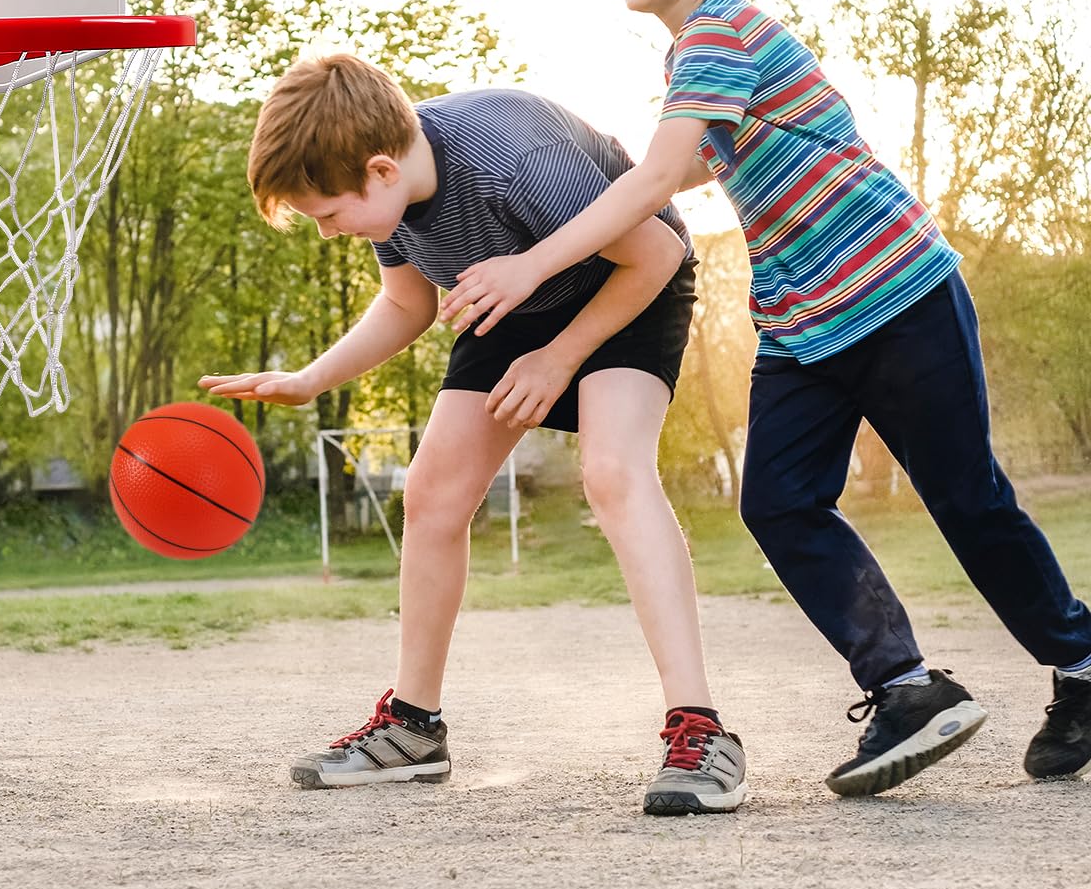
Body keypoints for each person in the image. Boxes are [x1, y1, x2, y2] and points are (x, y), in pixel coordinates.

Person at [442, 0, 1091, 795]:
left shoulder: (720, 30)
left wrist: (535, 259)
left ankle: (1080, 666)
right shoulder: (692, 57)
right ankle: (907, 688)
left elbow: (663, 178)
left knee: (965, 497)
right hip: (798, 316)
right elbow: (694, 161)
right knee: (777, 501)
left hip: (891, 287)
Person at [200, 53, 748, 814]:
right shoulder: (386, 194)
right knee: (431, 496)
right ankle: (412, 730)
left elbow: (657, 251)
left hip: (631, 285)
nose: (329, 233)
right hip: (510, 297)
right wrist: (312, 378)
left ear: (381, 170)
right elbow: (405, 304)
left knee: (612, 474)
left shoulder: (512, 157)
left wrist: (559, 358)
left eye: (328, 215)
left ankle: (700, 729)